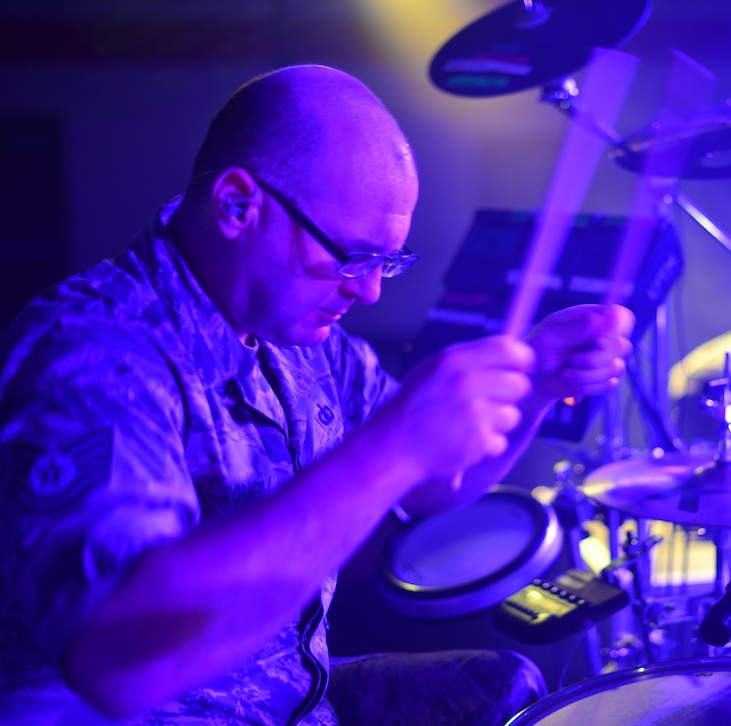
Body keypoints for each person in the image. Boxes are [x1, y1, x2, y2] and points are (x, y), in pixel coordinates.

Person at [0, 64, 634, 725]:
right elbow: (119, 662)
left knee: (510, 687)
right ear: (237, 205)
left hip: (287, 701)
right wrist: (394, 445)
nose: (369, 291)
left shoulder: (301, 337)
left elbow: (428, 484)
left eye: (387, 261)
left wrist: (537, 381)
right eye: (350, 255)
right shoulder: (94, 352)